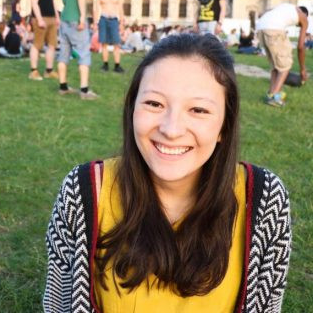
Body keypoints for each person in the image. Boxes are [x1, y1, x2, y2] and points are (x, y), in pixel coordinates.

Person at [44, 34, 291, 313]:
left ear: (225, 125)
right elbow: (61, 303)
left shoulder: (263, 200)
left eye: (198, 110)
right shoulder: (84, 193)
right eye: (154, 104)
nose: (171, 130)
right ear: (132, 109)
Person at [58, 0, 98, 99]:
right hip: (76, 18)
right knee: (83, 54)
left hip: (65, 17)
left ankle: (63, 87)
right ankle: (84, 91)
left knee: (64, 54)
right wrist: (82, 17)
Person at [256, 4, 309, 107]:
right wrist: (303, 69)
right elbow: (300, 47)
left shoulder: (286, 7)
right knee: (286, 64)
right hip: (274, 29)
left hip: (261, 27)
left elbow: (266, 11)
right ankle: (275, 97)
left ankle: (271, 93)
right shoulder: (303, 17)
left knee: (275, 65)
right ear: (305, 15)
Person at [28, 0, 60, 80]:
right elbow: (34, 3)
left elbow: (52, 0)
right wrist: (39, 19)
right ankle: (33, 71)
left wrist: (57, 16)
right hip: (40, 19)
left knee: (52, 45)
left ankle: (49, 70)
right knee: (37, 45)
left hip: (51, 18)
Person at [94, 0, 124, 73]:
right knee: (104, 43)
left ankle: (117, 65)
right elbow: (96, 9)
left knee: (117, 43)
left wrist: (122, 23)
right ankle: (105, 64)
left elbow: (120, 9)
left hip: (114, 20)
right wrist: (95, 22)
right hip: (103, 19)